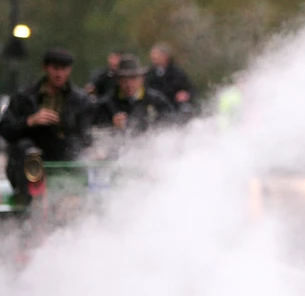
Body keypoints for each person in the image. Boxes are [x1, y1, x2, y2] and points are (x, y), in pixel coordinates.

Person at [0, 48, 94, 202]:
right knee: (26, 148)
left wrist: (62, 126)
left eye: (63, 69)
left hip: (64, 162)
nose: (59, 74)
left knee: (77, 150)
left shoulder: (81, 100)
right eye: (55, 68)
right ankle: (30, 197)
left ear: (69, 70)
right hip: (28, 167)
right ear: (45, 68)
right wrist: (30, 121)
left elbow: (85, 138)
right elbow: (5, 129)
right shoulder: (25, 96)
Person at [95, 54, 175, 134]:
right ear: (117, 80)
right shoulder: (107, 104)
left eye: (133, 78)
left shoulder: (157, 100)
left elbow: (172, 125)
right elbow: (98, 133)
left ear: (142, 79)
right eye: (124, 79)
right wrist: (112, 127)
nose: (129, 84)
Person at [146, 42, 195, 113]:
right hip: (156, 108)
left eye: (156, 55)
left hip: (175, 106)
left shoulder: (178, 73)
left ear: (165, 57)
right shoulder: (149, 73)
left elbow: (191, 89)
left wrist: (186, 95)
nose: (153, 58)